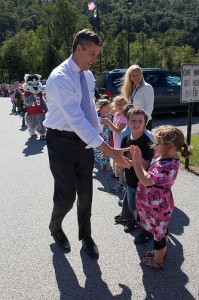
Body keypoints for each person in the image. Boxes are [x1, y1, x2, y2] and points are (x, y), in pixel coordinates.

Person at [43, 29, 130, 259]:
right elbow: (76, 120)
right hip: (61, 140)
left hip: (84, 139)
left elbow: (90, 110)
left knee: (86, 192)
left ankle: (86, 236)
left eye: (96, 54)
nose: (94, 59)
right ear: (78, 49)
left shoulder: (87, 75)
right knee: (67, 196)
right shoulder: (60, 78)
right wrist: (109, 151)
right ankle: (55, 226)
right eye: (91, 54)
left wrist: (99, 137)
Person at [130, 125, 192, 269]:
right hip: (151, 203)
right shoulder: (161, 156)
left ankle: (158, 261)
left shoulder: (170, 166)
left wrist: (136, 162)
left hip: (158, 206)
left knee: (159, 234)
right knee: (160, 230)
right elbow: (146, 167)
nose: (154, 145)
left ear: (170, 145)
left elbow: (146, 179)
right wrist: (136, 161)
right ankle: (160, 252)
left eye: (157, 143)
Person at [120, 107, 154, 234]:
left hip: (142, 182)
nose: (136, 123)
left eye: (140, 120)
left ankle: (144, 227)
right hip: (130, 180)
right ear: (128, 121)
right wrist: (120, 162)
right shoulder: (126, 139)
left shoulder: (147, 142)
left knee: (143, 207)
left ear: (145, 122)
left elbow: (145, 166)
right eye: (133, 120)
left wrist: (129, 162)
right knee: (132, 205)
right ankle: (135, 221)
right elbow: (122, 156)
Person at [100, 95, 128, 192]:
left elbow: (118, 131)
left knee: (121, 164)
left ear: (126, 105)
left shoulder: (124, 117)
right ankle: (120, 181)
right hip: (117, 143)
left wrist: (108, 123)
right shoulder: (117, 115)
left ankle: (121, 184)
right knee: (118, 164)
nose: (120, 106)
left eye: (122, 104)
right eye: (117, 104)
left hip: (122, 144)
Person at [120, 65, 154, 130]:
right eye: (133, 76)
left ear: (142, 74)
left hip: (143, 123)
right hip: (134, 122)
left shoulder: (147, 87)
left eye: (138, 74)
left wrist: (144, 123)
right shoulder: (135, 88)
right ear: (130, 77)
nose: (136, 77)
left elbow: (149, 107)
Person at [94, 98, 111, 171]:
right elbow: (99, 129)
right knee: (100, 150)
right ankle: (103, 165)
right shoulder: (98, 116)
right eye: (108, 106)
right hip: (101, 136)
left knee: (106, 150)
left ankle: (106, 164)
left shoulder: (106, 115)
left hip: (106, 136)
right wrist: (101, 138)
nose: (110, 107)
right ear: (103, 107)